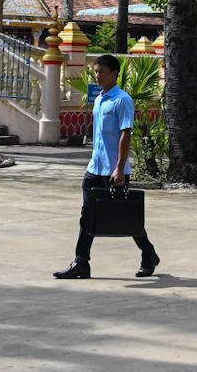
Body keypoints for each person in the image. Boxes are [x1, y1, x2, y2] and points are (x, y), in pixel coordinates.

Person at [54, 54, 159, 280]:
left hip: (115, 171)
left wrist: (119, 168)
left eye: (102, 71)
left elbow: (126, 134)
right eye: (96, 71)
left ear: (114, 73)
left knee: (124, 217)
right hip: (94, 168)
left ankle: (149, 254)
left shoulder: (122, 100)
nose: (97, 76)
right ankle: (81, 262)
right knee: (87, 216)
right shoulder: (100, 100)